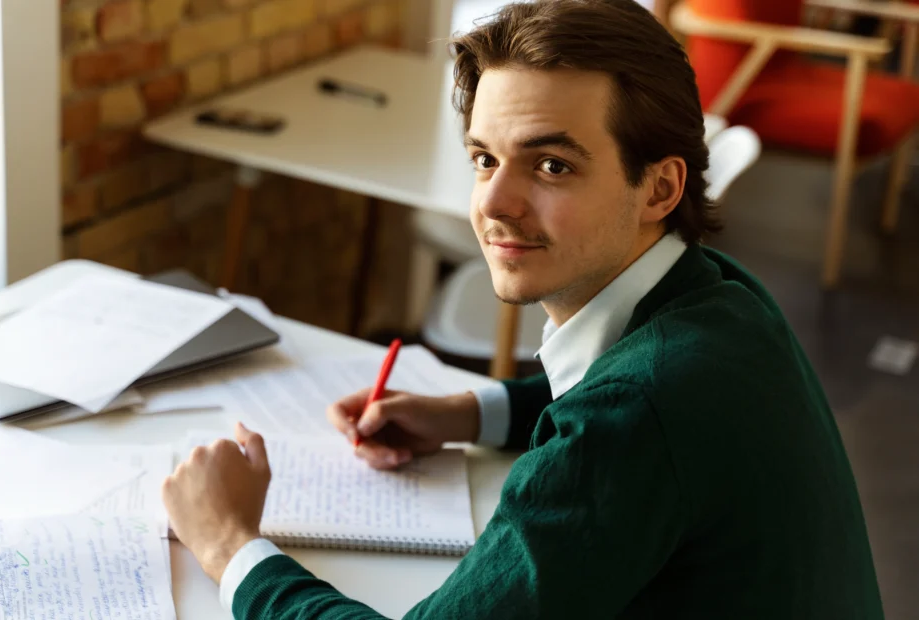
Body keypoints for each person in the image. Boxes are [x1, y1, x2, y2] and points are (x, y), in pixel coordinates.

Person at [161, 1, 884, 618]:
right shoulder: (720, 294)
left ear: (659, 188)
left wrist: (230, 545)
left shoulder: (634, 415)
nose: (495, 204)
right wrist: (470, 413)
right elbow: (625, 387)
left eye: (552, 166)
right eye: (484, 158)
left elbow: (628, 411)